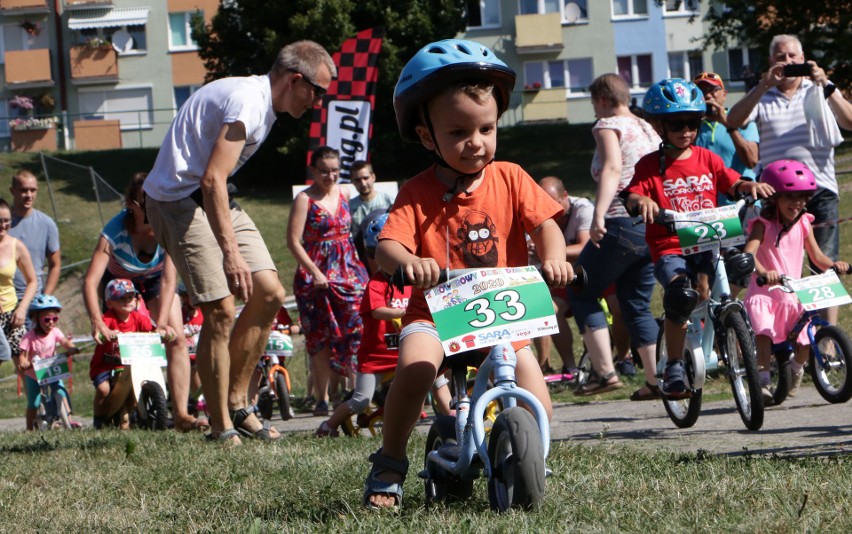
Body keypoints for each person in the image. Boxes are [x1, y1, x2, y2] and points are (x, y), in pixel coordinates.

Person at [362, 39, 573, 510]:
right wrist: (407, 263)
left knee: (539, 400)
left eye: (486, 128)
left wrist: (554, 256)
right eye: (458, 131)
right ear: (426, 136)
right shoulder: (417, 192)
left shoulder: (511, 177)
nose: (475, 141)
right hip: (435, 313)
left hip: (501, 311)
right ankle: (390, 462)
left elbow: (546, 226)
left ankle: (518, 451)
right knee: (415, 370)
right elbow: (387, 247)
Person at [143, 40, 334, 444]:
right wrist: (230, 254)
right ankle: (220, 426)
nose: (318, 102)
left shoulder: (263, 105)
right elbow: (211, 177)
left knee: (269, 292)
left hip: (213, 195)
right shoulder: (249, 101)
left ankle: (237, 403)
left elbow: (215, 183)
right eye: (317, 92)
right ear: (295, 79)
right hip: (177, 200)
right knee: (221, 310)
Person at [622, 78, 773, 398]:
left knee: (743, 262)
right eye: (677, 123)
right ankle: (675, 364)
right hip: (670, 245)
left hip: (711, 238)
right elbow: (632, 196)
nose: (686, 130)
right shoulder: (649, 165)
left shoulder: (707, 157)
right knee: (680, 295)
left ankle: (726, 313)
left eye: (692, 122)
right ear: (658, 125)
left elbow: (732, 183)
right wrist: (642, 202)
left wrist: (750, 187)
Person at [727, 34, 852, 326]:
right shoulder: (764, 96)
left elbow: (849, 122)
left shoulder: (818, 90)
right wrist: (763, 85)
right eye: (781, 57)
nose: (788, 62)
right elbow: (733, 121)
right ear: (772, 62)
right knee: (772, 265)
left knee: (824, 262)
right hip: (775, 195)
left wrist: (826, 84)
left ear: (805, 58)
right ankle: (778, 328)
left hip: (819, 189)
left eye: (794, 57)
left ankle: (827, 338)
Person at [83, 173, 205, 433]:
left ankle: (182, 414)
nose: (152, 208)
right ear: (131, 204)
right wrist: (96, 320)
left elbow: (169, 282)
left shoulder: (166, 226)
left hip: (154, 282)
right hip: (118, 283)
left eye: (158, 201)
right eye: (145, 202)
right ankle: (117, 403)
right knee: (118, 340)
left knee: (176, 337)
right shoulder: (114, 232)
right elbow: (91, 281)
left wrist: (160, 324)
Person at [569, 73, 660, 400]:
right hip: (651, 225)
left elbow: (611, 168)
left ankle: (605, 372)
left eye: (594, 102)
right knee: (636, 304)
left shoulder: (609, 125)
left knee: (579, 287)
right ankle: (656, 379)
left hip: (620, 221)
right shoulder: (648, 127)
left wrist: (598, 214)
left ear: (604, 100)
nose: (594, 109)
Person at [742, 160, 849, 404]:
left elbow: (817, 256)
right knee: (764, 332)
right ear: (774, 198)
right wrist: (764, 271)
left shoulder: (803, 222)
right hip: (765, 293)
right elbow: (749, 253)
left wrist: (833, 265)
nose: (797, 204)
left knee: (805, 338)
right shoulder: (762, 224)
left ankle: (796, 369)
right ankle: (763, 380)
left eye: (803, 198)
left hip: (792, 292)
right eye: (791, 198)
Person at [288, 146, 368, 417]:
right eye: (324, 171)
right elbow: (293, 241)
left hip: (348, 271)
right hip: (316, 276)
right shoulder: (304, 199)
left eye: (335, 170)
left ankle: (356, 393)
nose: (330, 176)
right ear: (313, 171)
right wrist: (314, 272)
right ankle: (321, 398)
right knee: (319, 337)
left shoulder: (344, 192)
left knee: (356, 329)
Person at [315, 213, 412, 437]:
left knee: (434, 380)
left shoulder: (411, 283)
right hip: (376, 357)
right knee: (361, 400)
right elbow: (378, 311)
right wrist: (401, 312)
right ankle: (328, 425)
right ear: (376, 256)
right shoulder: (376, 284)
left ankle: (450, 416)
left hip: (404, 352)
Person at [530, 176, 593, 376]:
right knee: (543, 308)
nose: (551, 209)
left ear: (565, 196)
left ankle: (613, 361)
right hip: (555, 282)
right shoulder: (535, 214)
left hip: (586, 277)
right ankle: (560, 366)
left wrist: (547, 250)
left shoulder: (583, 208)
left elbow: (585, 247)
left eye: (554, 202)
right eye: (545, 203)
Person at [89, 279, 162, 429]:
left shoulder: (139, 318)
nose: (127, 301)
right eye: (122, 298)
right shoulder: (108, 319)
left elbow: (151, 329)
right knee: (103, 389)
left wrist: (161, 333)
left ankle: (137, 417)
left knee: (135, 388)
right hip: (106, 364)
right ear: (110, 303)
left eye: (130, 297)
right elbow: (99, 331)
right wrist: (106, 333)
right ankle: (99, 420)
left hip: (131, 364)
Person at [693, 72, 760, 205]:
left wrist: (728, 125)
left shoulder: (740, 119)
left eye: (713, 90)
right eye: (701, 91)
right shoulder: (691, 126)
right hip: (709, 206)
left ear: (724, 94)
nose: (707, 95)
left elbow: (751, 161)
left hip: (742, 203)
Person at [15, 295, 80, 430]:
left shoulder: (55, 332)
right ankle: (29, 428)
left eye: (54, 318)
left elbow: (64, 342)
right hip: (34, 374)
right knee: (34, 403)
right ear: (36, 319)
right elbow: (22, 355)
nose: (51, 322)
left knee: (61, 392)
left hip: (52, 370)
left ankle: (68, 421)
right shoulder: (29, 336)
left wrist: (71, 348)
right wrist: (23, 362)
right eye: (46, 319)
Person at [8, 170, 61, 299]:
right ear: (12, 191)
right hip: (5, 300)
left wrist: (46, 298)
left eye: (33, 190)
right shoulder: (3, 223)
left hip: (33, 300)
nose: (29, 195)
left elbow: (55, 264)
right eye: (24, 190)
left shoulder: (47, 224)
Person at [0, 198, 38, 370]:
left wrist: (22, 308)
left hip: (11, 314)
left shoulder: (17, 246)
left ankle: (36, 397)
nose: (2, 225)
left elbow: (32, 281)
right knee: (3, 353)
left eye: (6, 220)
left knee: (25, 366)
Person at [349, 161, 395, 231]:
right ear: (352, 181)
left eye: (365, 178)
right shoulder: (349, 206)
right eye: (357, 180)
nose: (363, 183)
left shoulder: (389, 201)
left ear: (373, 177)